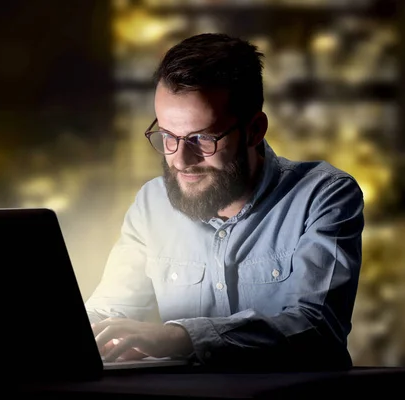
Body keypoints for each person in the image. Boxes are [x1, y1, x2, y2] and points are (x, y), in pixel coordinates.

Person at [85, 33, 364, 371]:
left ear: (254, 130)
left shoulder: (323, 196)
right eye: (168, 137)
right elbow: (110, 310)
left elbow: (317, 328)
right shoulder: (151, 203)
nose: (180, 160)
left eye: (201, 138)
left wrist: (179, 337)